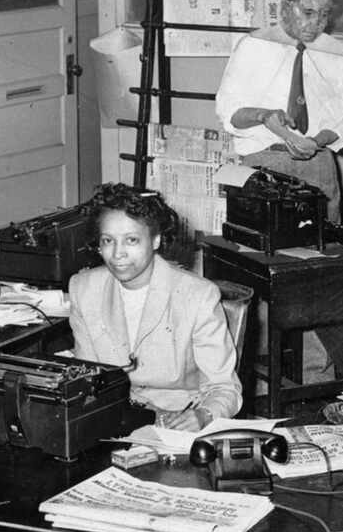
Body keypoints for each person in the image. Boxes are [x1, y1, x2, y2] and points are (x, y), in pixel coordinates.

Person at [69, 183, 242, 430]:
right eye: (108, 240)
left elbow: (224, 387)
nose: (118, 254)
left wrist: (204, 415)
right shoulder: (84, 288)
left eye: (131, 240)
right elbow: (88, 377)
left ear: (156, 240)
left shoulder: (198, 295)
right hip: (112, 416)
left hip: (180, 418)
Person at [215, 0, 343, 223]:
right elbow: (230, 115)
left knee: (326, 249)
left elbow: (341, 124)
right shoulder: (253, 47)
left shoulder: (338, 54)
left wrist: (315, 141)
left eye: (324, 15)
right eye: (308, 12)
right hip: (265, 162)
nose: (316, 24)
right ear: (286, 7)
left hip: (319, 164)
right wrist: (264, 115)